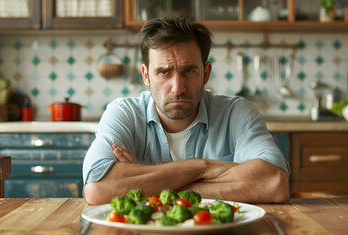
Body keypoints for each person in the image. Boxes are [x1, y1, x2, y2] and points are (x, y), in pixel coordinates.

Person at [83, 16, 290, 205]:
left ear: (206, 73)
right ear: (146, 75)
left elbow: (273, 183)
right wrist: (203, 167)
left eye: (189, 71)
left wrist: (146, 183)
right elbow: (98, 189)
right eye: (164, 72)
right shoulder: (124, 113)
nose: (178, 88)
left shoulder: (235, 113)